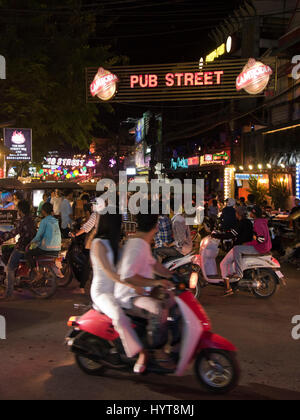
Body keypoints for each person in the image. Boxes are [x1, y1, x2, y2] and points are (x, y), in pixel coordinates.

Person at [114, 212, 173, 374]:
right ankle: (155, 351)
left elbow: (154, 265)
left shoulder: (142, 243)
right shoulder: (137, 245)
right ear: (155, 228)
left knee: (170, 299)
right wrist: (156, 282)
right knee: (158, 308)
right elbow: (129, 276)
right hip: (129, 296)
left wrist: (172, 276)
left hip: (141, 292)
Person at [0, 200, 36, 299]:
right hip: (30, 247)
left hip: (21, 248)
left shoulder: (23, 221)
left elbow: (13, 233)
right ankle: (15, 280)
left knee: (10, 268)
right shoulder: (31, 220)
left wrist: (2, 238)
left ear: (21, 210)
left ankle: (8, 293)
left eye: (18, 209)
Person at [220, 206, 254, 296]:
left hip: (239, 248)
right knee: (231, 264)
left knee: (223, 264)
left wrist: (217, 236)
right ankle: (234, 284)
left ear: (238, 214)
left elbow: (232, 234)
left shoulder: (241, 223)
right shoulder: (249, 222)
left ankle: (228, 288)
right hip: (246, 247)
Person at [233, 206, 272, 279]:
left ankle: (239, 273)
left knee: (236, 249)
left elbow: (261, 239)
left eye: (251, 212)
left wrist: (248, 244)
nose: (249, 213)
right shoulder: (262, 221)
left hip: (261, 248)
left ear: (253, 214)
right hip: (265, 246)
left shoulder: (258, 223)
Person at [26, 202, 61, 269]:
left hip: (47, 249)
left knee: (28, 253)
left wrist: (30, 243)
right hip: (57, 249)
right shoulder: (56, 221)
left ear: (43, 211)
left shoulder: (44, 221)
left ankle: (35, 271)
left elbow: (38, 236)